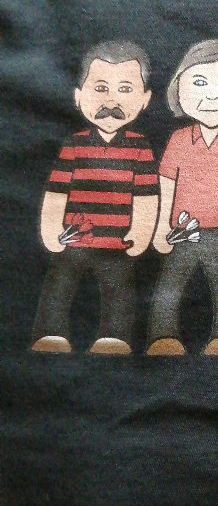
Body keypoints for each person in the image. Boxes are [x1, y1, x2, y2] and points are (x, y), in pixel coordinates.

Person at [31, 40, 158, 354]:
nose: (111, 101)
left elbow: (146, 195)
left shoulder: (140, 147)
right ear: (78, 96)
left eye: (125, 89)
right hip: (73, 238)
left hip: (117, 241)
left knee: (120, 292)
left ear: (145, 99)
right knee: (59, 286)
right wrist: (51, 230)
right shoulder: (74, 144)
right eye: (100, 88)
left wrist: (142, 232)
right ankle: (51, 332)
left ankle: (114, 337)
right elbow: (57, 190)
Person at [147, 39, 218, 356]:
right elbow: (166, 183)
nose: (211, 95)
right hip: (181, 230)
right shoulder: (179, 139)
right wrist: (160, 226)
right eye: (199, 82)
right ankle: (162, 335)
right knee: (171, 283)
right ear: (178, 87)